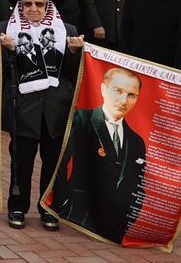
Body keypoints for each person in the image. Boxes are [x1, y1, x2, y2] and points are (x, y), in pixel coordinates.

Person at [0, 0, 84, 230]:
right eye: (27, 4)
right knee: (20, 161)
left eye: (39, 4)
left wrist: (75, 54)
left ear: (48, 6)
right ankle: (17, 206)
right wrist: (8, 52)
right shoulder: (2, 30)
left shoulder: (66, 29)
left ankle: (49, 208)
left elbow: (72, 73)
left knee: (53, 161)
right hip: (23, 107)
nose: (33, 8)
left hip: (55, 107)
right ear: (19, 6)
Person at [54, 67, 146, 243]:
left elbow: (138, 186)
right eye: (118, 91)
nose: (123, 100)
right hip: (78, 217)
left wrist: (127, 221)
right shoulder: (81, 120)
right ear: (103, 89)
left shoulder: (136, 141)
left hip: (117, 227)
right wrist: (63, 205)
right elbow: (61, 163)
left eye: (131, 95)